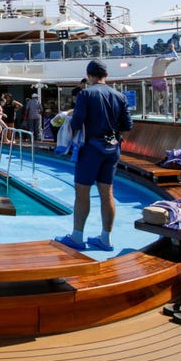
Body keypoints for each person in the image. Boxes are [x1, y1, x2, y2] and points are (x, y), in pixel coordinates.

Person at [56, 60, 133, 252]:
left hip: (91, 148)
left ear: (89, 76)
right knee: (107, 194)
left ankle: (77, 237)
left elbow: (77, 122)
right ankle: (105, 239)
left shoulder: (86, 94)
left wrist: (68, 121)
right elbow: (127, 126)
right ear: (105, 76)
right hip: (113, 148)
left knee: (82, 193)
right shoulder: (120, 96)